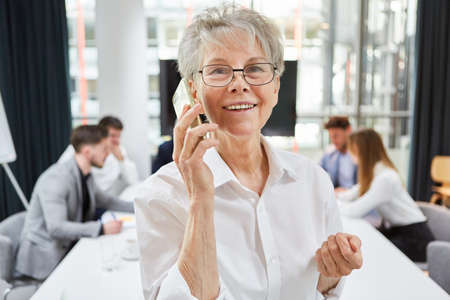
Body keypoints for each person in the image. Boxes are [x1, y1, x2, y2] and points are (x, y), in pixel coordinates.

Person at [135, 5, 362, 300]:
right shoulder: (161, 195)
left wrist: (332, 272)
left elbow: (320, 292)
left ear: (276, 85)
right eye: (218, 70)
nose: (239, 84)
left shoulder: (312, 181)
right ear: (193, 89)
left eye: (255, 69)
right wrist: (200, 200)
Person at [16, 125, 134, 280]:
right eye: (104, 149)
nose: (108, 154)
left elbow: (107, 201)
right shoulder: (56, 178)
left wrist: (140, 207)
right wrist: (101, 228)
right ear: (87, 151)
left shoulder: (86, 174)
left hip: (70, 245)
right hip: (46, 257)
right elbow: (56, 227)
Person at [338, 128, 434, 262]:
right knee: (364, 244)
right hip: (399, 231)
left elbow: (354, 211)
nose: (349, 153)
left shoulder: (386, 179)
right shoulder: (375, 174)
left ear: (361, 151)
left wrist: (331, 204)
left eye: (352, 149)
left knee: (368, 251)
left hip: (415, 239)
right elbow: (346, 197)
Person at [58, 116, 139, 196]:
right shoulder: (80, 148)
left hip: (103, 200)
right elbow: (60, 172)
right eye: (113, 136)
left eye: (118, 136)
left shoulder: (119, 151)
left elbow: (133, 181)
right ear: (100, 133)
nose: (117, 141)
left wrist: (121, 159)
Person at [320, 116, 357, 191]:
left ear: (348, 130)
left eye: (336, 136)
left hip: (358, 198)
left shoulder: (361, 155)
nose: (333, 140)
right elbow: (318, 174)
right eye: (331, 137)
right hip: (339, 199)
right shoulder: (329, 155)